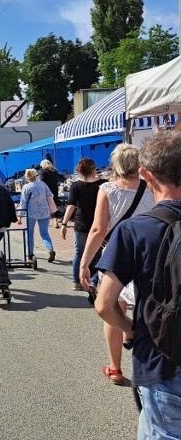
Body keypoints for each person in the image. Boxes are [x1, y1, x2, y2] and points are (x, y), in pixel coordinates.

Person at [94, 131, 181, 438]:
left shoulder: (135, 231)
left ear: (147, 175)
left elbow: (104, 304)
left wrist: (130, 326)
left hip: (162, 359)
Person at [78, 144, 155, 386]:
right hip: (147, 256)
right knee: (146, 309)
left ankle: (115, 368)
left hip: (117, 256)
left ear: (116, 165)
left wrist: (84, 263)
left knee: (113, 309)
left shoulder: (108, 190)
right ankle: (150, 366)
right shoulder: (151, 187)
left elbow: (99, 229)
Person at [60, 158, 107, 290]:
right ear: (94, 169)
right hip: (99, 223)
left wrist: (64, 224)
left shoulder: (75, 185)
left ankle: (76, 281)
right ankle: (92, 280)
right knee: (97, 253)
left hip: (81, 223)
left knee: (79, 252)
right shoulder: (103, 184)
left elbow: (71, 206)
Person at [16, 168, 56, 262]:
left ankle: (30, 253)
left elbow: (23, 202)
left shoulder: (26, 187)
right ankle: (50, 249)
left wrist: (20, 217)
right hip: (44, 211)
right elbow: (50, 195)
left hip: (31, 213)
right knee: (44, 233)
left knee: (30, 233)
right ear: (36, 176)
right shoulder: (43, 184)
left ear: (27, 177)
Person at [40, 159, 60, 228]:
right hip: (55, 189)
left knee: (46, 205)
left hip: (47, 190)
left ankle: (46, 221)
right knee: (54, 205)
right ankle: (55, 220)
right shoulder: (55, 171)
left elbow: (42, 181)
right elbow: (57, 180)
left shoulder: (43, 171)